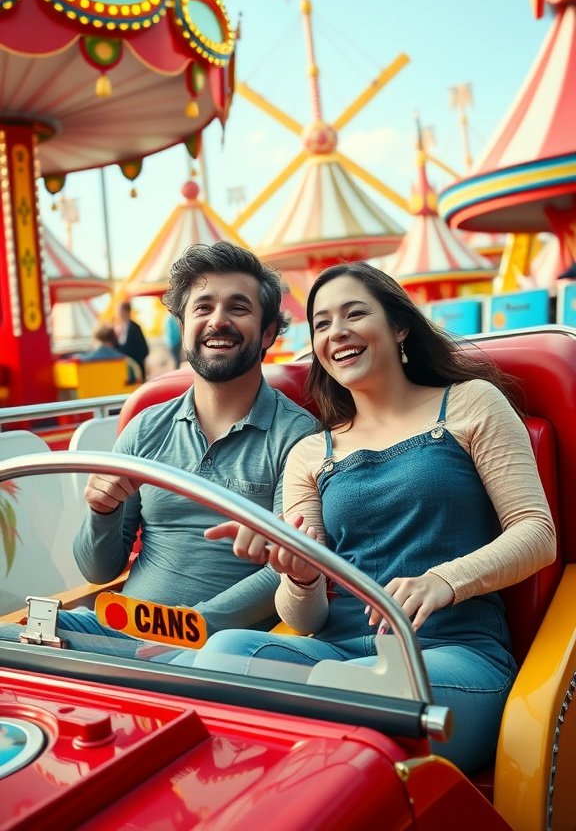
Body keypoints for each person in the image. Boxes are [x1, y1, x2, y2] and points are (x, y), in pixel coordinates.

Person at [180, 262, 556, 774]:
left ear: (399, 326)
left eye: (355, 314)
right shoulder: (311, 453)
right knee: (224, 653)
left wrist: (443, 581)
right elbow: (302, 619)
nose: (338, 332)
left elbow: (537, 533)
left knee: (352, 690)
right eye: (321, 324)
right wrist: (302, 573)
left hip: (451, 654)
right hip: (337, 652)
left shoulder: (471, 404)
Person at [1, 242, 317, 656]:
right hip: (118, 629)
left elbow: (289, 567)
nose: (217, 320)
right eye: (202, 308)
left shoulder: (298, 435)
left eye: (238, 308)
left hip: (218, 646)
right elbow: (97, 569)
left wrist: (186, 628)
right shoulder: (146, 428)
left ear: (269, 332)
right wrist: (102, 512)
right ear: (183, 326)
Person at [115, 301, 150, 381]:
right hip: (124, 369)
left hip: (135, 368)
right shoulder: (119, 328)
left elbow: (144, 349)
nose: (118, 314)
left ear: (126, 312)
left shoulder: (135, 328)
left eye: (120, 311)